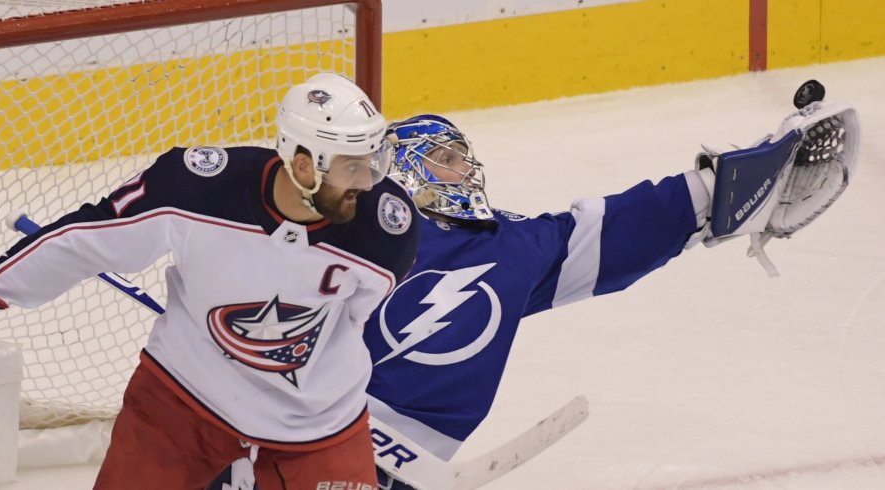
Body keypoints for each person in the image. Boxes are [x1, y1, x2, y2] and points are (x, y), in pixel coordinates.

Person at [363, 103, 858, 489]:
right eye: (445, 159)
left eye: (462, 156)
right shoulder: (358, 229)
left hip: (402, 463)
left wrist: (724, 188)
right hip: (315, 431)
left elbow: (610, 233)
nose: (465, 169)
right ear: (405, 169)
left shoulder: (510, 244)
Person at [0, 73, 419, 489]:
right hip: (183, 401)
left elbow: (359, 317)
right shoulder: (197, 189)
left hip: (318, 421)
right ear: (304, 166)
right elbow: (89, 239)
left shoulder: (384, 231)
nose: (368, 182)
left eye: (372, 164)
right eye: (353, 167)